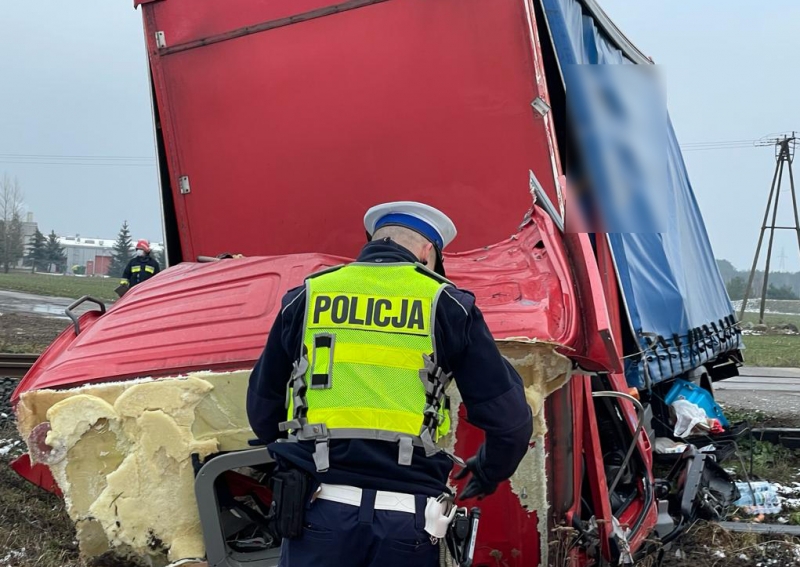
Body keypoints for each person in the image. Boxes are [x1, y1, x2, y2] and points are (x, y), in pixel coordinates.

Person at [247, 202, 533, 567]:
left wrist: (293, 455)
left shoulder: (308, 296)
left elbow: (262, 407)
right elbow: (510, 421)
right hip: (408, 521)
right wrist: (489, 469)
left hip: (319, 512)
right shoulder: (445, 304)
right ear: (428, 251)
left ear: (373, 242)